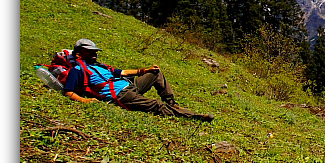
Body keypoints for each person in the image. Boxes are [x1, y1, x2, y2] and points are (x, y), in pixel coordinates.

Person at [62, 38, 214, 122]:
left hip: (129, 84)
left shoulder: (99, 66)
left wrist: (146, 71)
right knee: (156, 105)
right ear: (79, 53)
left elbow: (123, 72)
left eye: (95, 51)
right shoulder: (77, 70)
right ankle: (195, 116)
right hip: (121, 95)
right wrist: (85, 101)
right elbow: (68, 91)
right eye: (90, 52)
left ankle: (173, 103)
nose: (94, 54)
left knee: (156, 73)